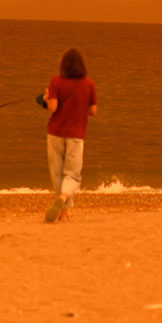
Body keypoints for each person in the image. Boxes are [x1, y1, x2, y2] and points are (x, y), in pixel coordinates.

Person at [42, 47, 98, 222]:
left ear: (64, 64)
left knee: (57, 173)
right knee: (72, 174)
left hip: (55, 133)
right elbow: (93, 111)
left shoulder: (56, 82)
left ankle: (62, 208)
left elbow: (53, 107)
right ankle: (63, 202)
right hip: (76, 134)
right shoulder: (89, 84)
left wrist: (45, 98)